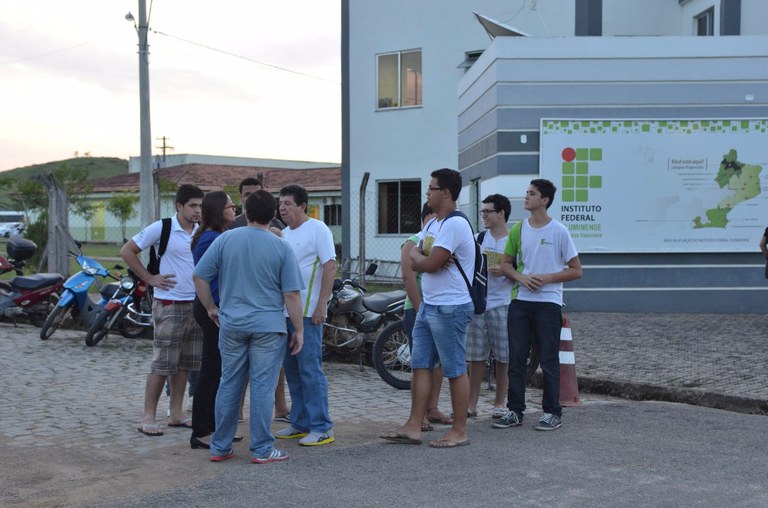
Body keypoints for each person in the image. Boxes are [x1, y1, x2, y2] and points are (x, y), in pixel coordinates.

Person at [193, 189, 305, 464]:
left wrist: (210, 308)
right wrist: (299, 330)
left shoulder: (225, 239)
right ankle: (262, 449)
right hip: (268, 326)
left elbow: (199, 276)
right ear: (274, 215)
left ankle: (219, 446)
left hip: (231, 324)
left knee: (229, 384)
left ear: (245, 213)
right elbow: (291, 294)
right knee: (262, 387)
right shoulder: (281, 246)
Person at [380, 168, 475, 449]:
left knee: (454, 368)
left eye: (431, 188)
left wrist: (423, 258)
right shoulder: (434, 225)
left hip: (451, 307)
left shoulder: (455, 224)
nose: (427, 193)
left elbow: (429, 264)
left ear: (445, 192)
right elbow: (414, 255)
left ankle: (459, 431)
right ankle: (413, 425)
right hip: (429, 305)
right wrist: (420, 256)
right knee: (420, 364)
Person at [494, 179, 582, 431]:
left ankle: (552, 412)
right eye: (526, 193)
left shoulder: (559, 231)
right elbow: (505, 264)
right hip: (520, 302)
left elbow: (576, 270)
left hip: (548, 303)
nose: (526, 197)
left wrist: (546, 279)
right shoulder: (518, 230)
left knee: (549, 359)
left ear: (544, 200)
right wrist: (521, 277)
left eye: (531, 194)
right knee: (517, 358)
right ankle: (515, 410)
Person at [120, 184, 205, 437]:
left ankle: (177, 413)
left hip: (196, 305)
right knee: (162, 363)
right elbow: (127, 251)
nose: (198, 210)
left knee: (185, 363)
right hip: (169, 304)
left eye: (200, 205)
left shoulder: (202, 231)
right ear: (179, 206)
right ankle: (148, 416)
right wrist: (149, 278)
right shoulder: (163, 227)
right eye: (193, 205)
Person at [275, 184, 336, 446]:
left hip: (309, 314)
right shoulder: (284, 234)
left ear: (302, 206)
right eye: (281, 203)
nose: (282, 208)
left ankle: (322, 426)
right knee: (292, 370)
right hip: (285, 315)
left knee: (311, 370)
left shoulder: (318, 229)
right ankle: (300, 422)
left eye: (288, 203)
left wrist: (322, 303)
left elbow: (330, 266)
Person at [230, 177, 290, 422]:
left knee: (275, 366)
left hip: (270, 310)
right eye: (246, 194)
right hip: (238, 309)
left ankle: (281, 408)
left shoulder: (278, 227)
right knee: (238, 368)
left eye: (256, 193)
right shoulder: (231, 227)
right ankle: (236, 413)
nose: (251, 198)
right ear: (240, 198)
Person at [188, 191, 238, 449]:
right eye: (231, 206)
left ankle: (217, 426)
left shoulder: (215, 235)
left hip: (215, 306)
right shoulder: (211, 238)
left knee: (218, 370)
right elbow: (206, 276)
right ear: (220, 210)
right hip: (212, 308)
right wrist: (213, 307)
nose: (235, 209)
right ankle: (201, 431)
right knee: (210, 371)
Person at [401, 203, 453, 430]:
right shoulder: (413, 242)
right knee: (422, 364)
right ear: (426, 219)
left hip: (440, 308)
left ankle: (431, 409)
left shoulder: (442, 243)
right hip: (417, 309)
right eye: (433, 218)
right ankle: (419, 414)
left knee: (439, 363)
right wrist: (420, 308)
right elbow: (409, 279)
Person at [467, 194, 514, 419]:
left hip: (504, 304)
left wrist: (506, 270)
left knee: (503, 356)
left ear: (501, 213)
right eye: (482, 211)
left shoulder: (515, 240)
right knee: (475, 357)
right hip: (479, 303)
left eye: (488, 211)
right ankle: (471, 404)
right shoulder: (478, 238)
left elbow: (526, 270)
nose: (483, 215)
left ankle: (499, 403)